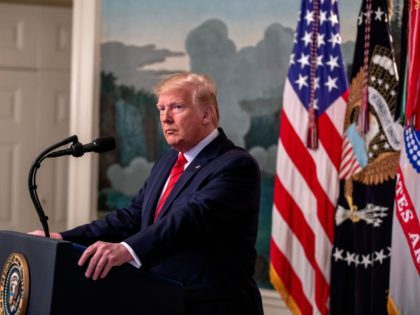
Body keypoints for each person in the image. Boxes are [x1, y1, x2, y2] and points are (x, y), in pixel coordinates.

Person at [30, 72, 263, 315]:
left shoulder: (235, 165)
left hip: (214, 307)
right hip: (163, 300)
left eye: (176, 107)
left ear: (206, 114)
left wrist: (126, 249)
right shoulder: (168, 162)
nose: (165, 118)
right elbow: (132, 217)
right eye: (161, 109)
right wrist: (63, 238)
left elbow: (190, 219)